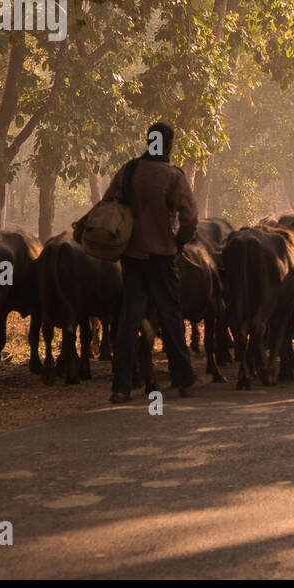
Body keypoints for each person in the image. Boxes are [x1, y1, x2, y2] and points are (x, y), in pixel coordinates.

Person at [105, 122, 199, 404]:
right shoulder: (173, 176)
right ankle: (183, 380)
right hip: (162, 256)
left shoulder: (129, 171)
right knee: (171, 317)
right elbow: (190, 218)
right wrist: (179, 240)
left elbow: (107, 202)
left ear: (148, 141)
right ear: (169, 144)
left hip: (132, 256)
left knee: (129, 321)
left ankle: (121, 387)